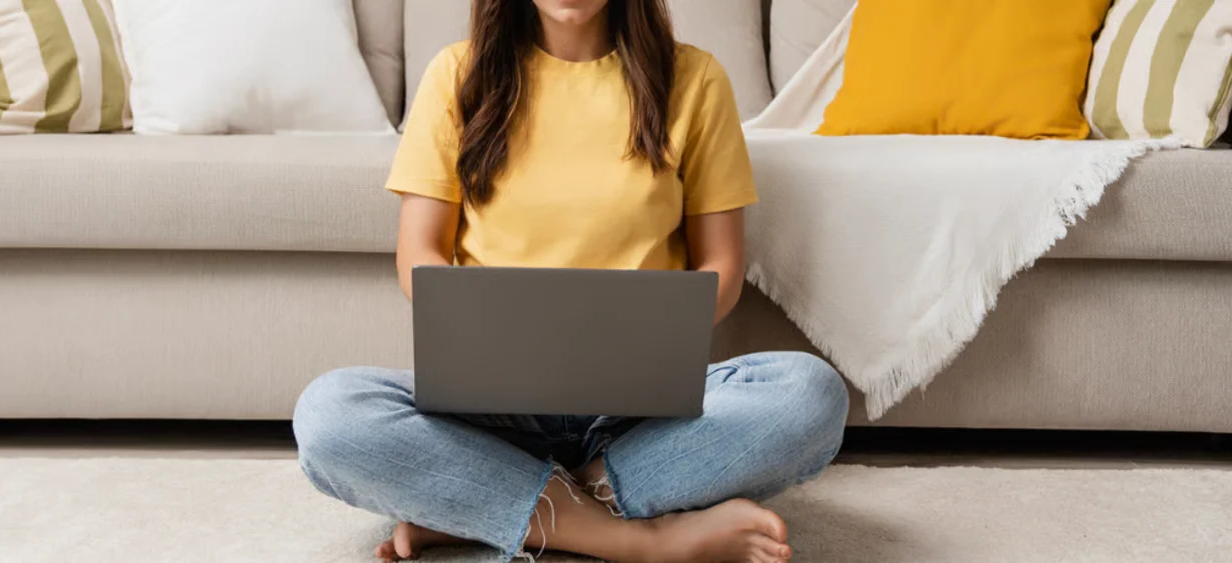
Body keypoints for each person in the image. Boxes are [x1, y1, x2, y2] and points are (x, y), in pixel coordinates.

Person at [291, 0, 848, 561]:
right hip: (492, 408)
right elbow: (419, 251)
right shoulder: (458, 75)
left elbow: (722, 264)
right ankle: (636, 537)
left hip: (639, 413)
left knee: (809, 394)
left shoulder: (695, 79)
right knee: (329, 415)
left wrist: (655, 338)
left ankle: (488, 505)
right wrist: (475, 326)